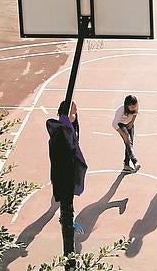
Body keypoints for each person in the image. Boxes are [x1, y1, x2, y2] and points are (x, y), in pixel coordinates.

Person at [46, 100, 88, 270]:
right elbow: (65, 151)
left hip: (68, 174)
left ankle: (66, 218)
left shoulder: (69, 125)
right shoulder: (63, 130)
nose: (76, 110)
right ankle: (66, 220)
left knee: (67, 199)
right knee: (66, 200)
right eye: (73, 108)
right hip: (65, 175)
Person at [112, 95, 141, 173]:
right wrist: (123, 134)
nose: (134, 108)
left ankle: (126, 164)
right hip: (120, 124)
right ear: (127, 105)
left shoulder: (136, 106)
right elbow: (114, 124)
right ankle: (135, 161)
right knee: (128, 141)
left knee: (130, 144)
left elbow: (135, 114)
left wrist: (132, 122)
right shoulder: (120, 111)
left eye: (135, 106)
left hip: (129, 124)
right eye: (132, 107)